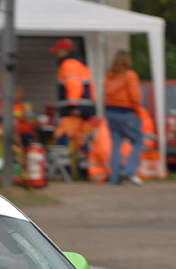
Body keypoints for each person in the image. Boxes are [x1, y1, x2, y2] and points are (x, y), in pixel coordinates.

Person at [50, 38, 96, 177]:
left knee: (62, 136)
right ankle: (85, 171)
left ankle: (64, 171)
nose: (56, 54)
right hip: (85, 108)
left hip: (73, 110)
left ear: (64, 51)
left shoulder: (68, 64)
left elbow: (73, 84)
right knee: (81, 140)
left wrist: (74, 105)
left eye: (57, 51)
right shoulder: (81, 64)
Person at [103, 49, 145, 185]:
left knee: (116, 145)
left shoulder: (109, 76)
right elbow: (135, 98)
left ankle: (114, 178)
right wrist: (138, 112)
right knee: (138, 140)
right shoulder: (130, 75)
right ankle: (129, 170)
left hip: (110, 112)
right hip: (126, 113)